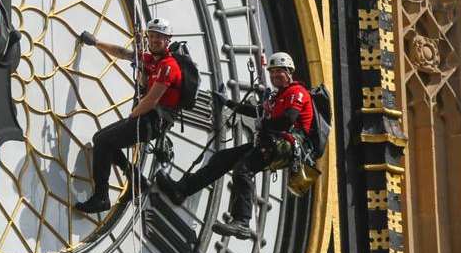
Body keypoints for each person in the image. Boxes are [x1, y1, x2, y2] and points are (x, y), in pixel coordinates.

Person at [160, 51, 313, 240]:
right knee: (222, 159)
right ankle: (182, 189)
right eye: (272, 73)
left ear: (289, 72)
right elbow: (256, 111)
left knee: (243, 169)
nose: (274, 76)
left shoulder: (297, 93)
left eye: (279, 72)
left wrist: (264, 124)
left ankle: (242, 222)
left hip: (284, 146)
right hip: (270, 143)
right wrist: (229, 103)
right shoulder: (276, 97)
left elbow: (288, 119)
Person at [72, 19, 183, 214]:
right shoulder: (151, 60)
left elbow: (152, 99)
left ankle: (102, 197)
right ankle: (136, 179)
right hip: (146, 118)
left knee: (103, 141)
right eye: (153, 36)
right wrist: (96, 43)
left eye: (160, 37)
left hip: (151, 120)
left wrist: (133, 115)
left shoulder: (168, 67)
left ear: (168, 41)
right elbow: (123, 53)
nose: (155, 40)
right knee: (103, 140)